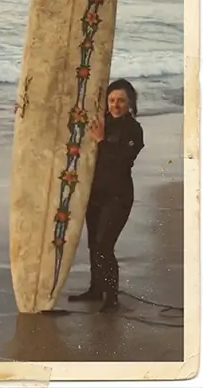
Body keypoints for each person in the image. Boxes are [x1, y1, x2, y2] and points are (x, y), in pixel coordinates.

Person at [67, 78, 144, 313]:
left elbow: (122, 162)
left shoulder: (134, 130)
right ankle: (95, 289)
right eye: (111, 100)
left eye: (121, 101)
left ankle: (112, 298)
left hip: (118, 196)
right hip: (96, 194)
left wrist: (102, 141)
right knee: (93, 243)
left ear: (129, 103)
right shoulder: (101, 122)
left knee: (104, 245)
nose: (115, 105)